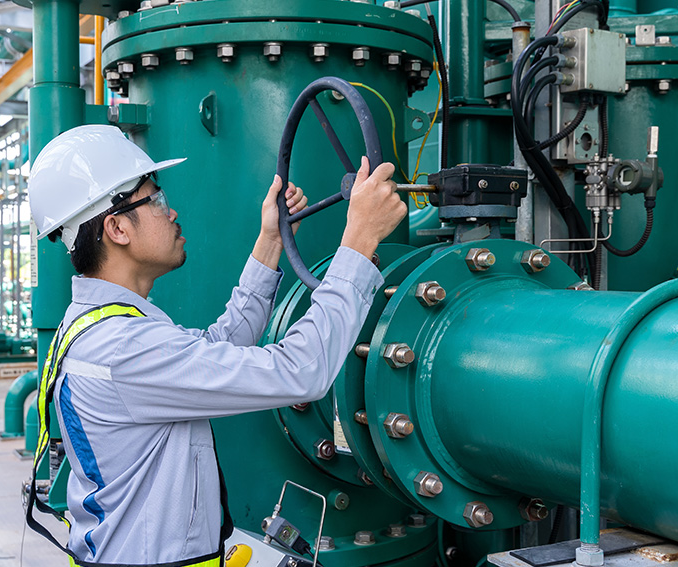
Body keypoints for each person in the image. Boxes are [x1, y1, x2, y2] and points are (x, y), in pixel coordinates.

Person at [26, 124, 407, 567]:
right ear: (117, 228)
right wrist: (359, 242)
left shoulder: (98, 328)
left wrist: (270, 244)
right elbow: (300, 371)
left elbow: (214, 349)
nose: (171, 213)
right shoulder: (123, 347)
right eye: (157, 200)